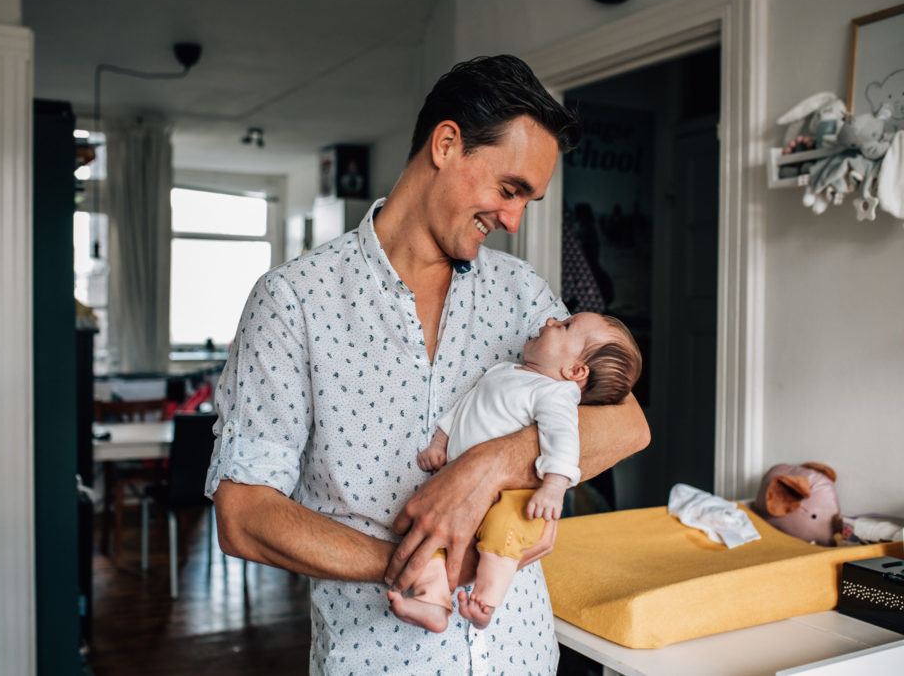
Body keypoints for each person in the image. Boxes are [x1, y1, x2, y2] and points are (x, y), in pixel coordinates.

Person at [206, 54, 650, 674]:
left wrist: (486, 471)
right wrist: (419, 561)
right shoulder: (294, 302)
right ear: (446, 144)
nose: (514, 219)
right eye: (509, 188)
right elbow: (244, 515)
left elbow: (629, 423)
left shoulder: (525, 297)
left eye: (529, 199)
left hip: (522, 658)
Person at [389, 312, 642, 632]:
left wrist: (553, 487)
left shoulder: (556, 393)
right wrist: (440, 444)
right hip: (456, 490)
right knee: (430, 534)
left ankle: (486, 598)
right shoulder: (503, 371)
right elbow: (464, 409)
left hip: (512, 496)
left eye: (564, 326)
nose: (550, 320)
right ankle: (432, 601)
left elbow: (564, 441)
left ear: (575, 371)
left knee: (504, 531)